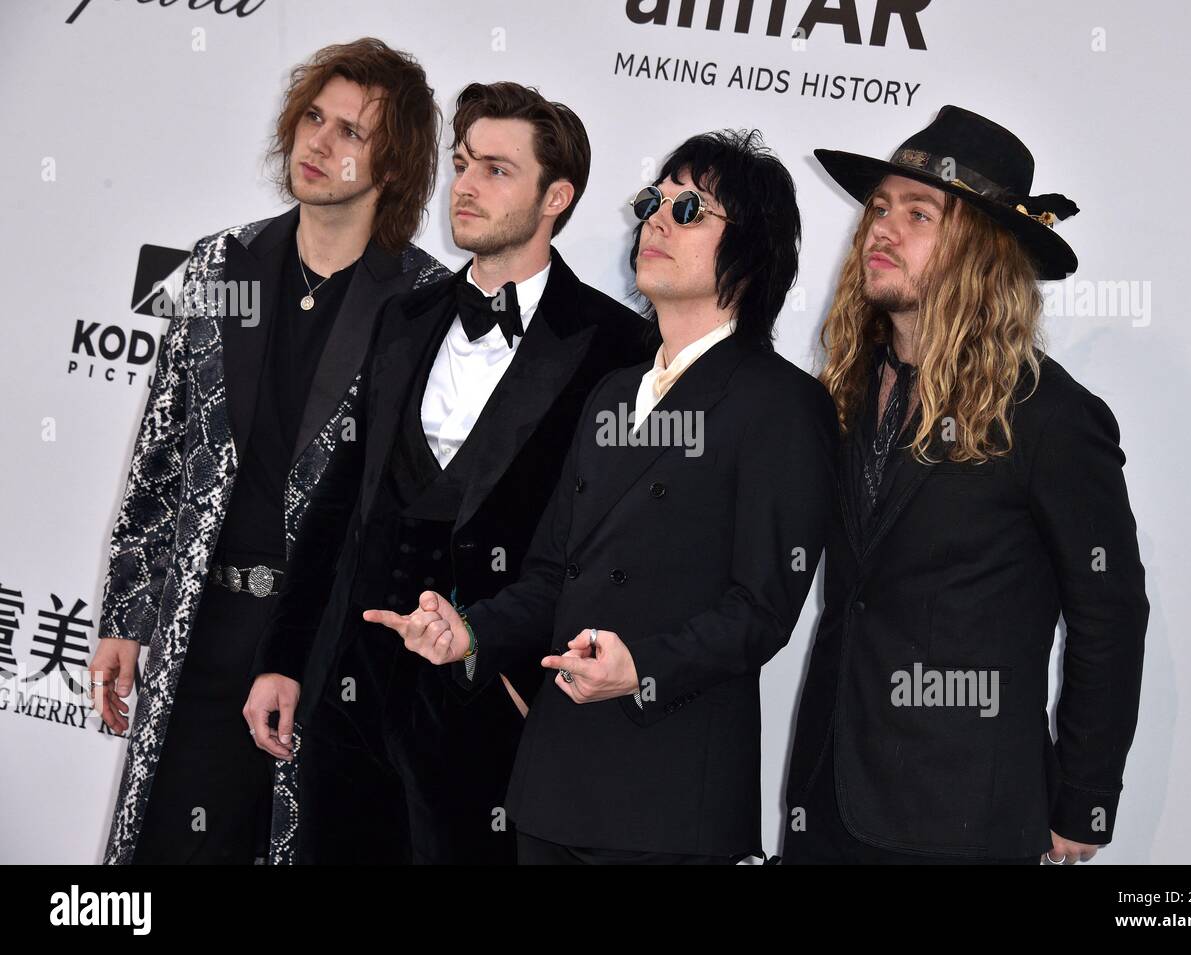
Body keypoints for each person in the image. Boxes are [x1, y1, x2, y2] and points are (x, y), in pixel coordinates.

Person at [369, 129, 837, 864]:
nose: (655, 218)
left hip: (670, 797)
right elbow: (553, 574)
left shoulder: (783, 404)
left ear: (752, 252)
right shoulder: (614, 392)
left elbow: (761, 611)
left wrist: (642, 668)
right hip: (552, 782)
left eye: (691, 209)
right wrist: (471, 633)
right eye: (655, 200)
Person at [245, 81, 651, 864]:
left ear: (555, 195)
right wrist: (284, 659)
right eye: (463, 163)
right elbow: (340, 503)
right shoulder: (406, 313)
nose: (464, 185)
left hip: (488, 709)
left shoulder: (614, 346)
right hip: (351, 695)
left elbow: (612, 551)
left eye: (497, 170)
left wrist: (522, 684)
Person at [93, 37, 447, 864]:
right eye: (313, 118)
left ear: (393, 167)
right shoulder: (225, 261)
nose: (318, 144)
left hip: (327, 648)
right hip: (201, 627)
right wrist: (127, 612)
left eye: (352, 133)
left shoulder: (423, 303)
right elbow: (163, 453)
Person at [783, 105, 1148, 865]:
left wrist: (1083, 801)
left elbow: (1108, 614)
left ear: (982, 249)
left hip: (965, 821)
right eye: (878, 207)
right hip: (825, 802)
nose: (881, 227)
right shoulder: (846, 391)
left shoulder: (1051, 416)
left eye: (919, 213)